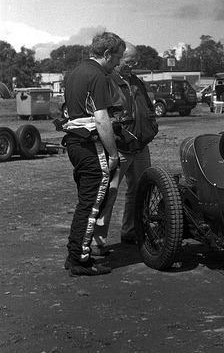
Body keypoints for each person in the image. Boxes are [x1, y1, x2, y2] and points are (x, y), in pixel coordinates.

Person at [61, 31, 125, 276]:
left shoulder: (75, 72)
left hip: (74, 144)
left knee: (85, 203)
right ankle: (79, 259)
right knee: (91, 205)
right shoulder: (97, 75)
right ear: (106, 54)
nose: (117, 63)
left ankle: (75, 254)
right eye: (116, 58)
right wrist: (114, 154)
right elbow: (101, 119)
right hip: (90, 146)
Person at [93, 43, 158, 251]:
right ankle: (97, 242)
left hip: (141, 147)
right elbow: (101, 115)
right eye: (129, 62)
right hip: (119, 148)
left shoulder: (137, 82)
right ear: (119, 58)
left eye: (135, 62)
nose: (133, 66)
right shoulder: (106, 82)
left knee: (140, 192)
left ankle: (131, 231)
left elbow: (149, 108)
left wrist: (151, 127)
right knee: (108, 193)